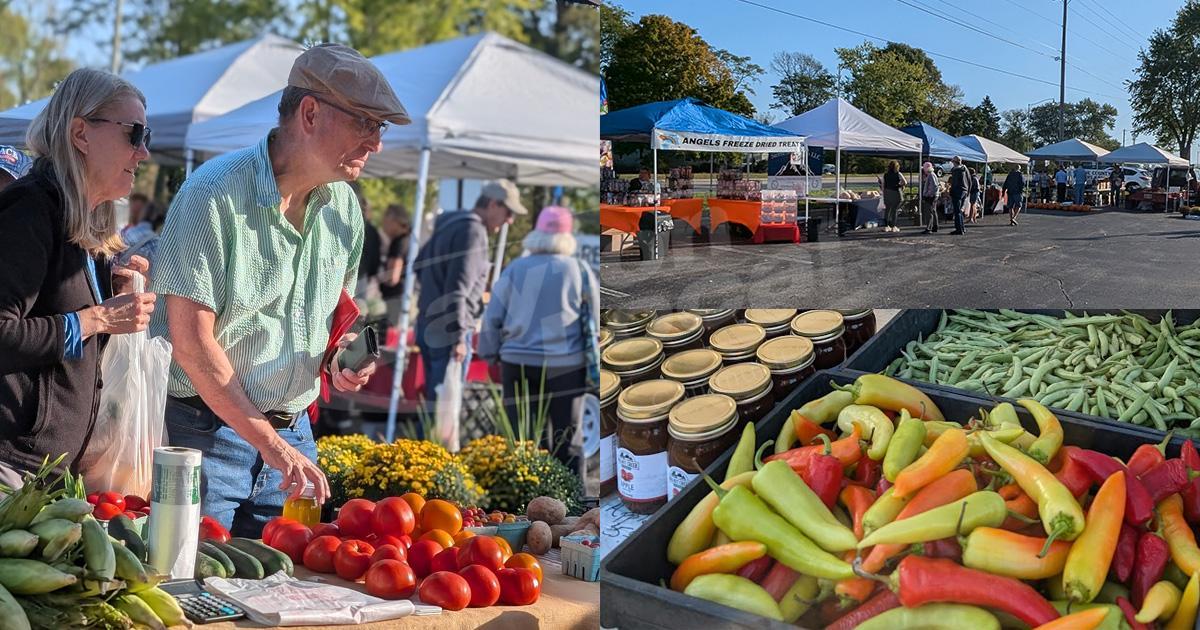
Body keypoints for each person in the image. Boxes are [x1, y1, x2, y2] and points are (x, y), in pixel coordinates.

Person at [151, 44, 405, 537]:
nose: (376, 142)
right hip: (203, 438)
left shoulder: (345, 210)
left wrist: (339, 359)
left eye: (381, 128)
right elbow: (192, 343)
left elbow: (335, 317)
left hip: (293, 441)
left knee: (287, 599)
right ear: (310, 113)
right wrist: (271, 443)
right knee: (195, 592)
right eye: (366, 124)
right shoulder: (212, 193)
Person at [0, 68, 156, 485]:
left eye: (147, 138)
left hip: (51, 470)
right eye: (134, 134)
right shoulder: (29, 211)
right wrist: (98, 318)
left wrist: (114, 295)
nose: (143, 153)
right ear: (80, 134)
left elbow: (69, 333)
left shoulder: (86, 224)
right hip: (12, 468)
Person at [478, 206, 598, 471]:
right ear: (568, 237)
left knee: (521, 438)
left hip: (517, 364)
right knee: (567, 438)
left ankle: (523, 501)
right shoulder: (579, 269)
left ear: (537, 234)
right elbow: (593, 322)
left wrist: (489, 353)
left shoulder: (515, 269)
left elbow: (493, 317)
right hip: (566, 365)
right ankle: (572, 503)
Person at [414, 180, 526, 405]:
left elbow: (418, 265)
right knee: (444, 410)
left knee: (434, 405)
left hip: (428, 323)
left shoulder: (450, 223)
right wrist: (458, 338)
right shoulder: (473, 231)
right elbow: (457, 291)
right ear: (493, 204)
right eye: (509, 212)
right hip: (448, 331)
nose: (510, 220)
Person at [378, 203, 411, 325]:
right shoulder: (409, 239)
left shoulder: (399, 243)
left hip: (395, 299)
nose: (384, 225)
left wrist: (378, 279)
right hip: (403, 297)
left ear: (394, 221)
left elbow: (393, 277)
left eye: (385, 221)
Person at [351, 184, 383, 305]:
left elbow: (375, 254)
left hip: (358, 275)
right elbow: (376, 255)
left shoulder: (366, 228)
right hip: (361, 275)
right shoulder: (371, 229)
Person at [880, 161, 906, 233]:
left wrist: (884, 192)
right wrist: (899, 185)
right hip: (896, 192)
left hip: (887, 192)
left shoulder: (885, 175)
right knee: (894, 210)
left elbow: (883, 185)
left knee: (887, 210)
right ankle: (893, 226)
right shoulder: (898, 174)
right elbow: (905, 182)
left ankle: (886, 226)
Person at [948, 156, 970, 235]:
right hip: (964, 191)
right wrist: (968, 191)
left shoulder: (956, 170)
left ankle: (959, 229)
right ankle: (962, 228)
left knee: (957, 211)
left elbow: (955, 183)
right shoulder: (965, 168)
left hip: (957, 192)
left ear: (954, 162)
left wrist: (951, 192)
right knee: (960, 211)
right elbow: (969, 180)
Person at [919, 161, 939, 234]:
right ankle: (935, 226)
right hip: (934, 195)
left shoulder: (930, 175)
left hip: (931, 196)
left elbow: (934, 187)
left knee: (929, 212)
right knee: (933, 211)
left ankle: (929, 228)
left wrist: (928, 194)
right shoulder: (932, 175)